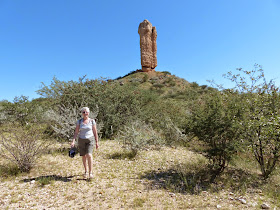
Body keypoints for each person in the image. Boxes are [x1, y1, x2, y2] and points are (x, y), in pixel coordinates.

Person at [71, 107, 99, 179]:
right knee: (83, 156)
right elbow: (76, 132)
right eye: (83, 112)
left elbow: (95, 132)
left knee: (89, 155)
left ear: (89, 113)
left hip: (90, 139)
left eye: (86, 112)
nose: (85, 113)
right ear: (82, 113)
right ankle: (86, 171)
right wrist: (73, 141)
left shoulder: (92, 121)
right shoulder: (79, 122)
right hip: (81, 140)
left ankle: (91, 172)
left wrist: (97, 142)